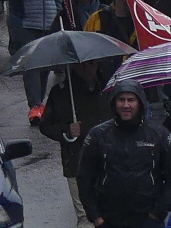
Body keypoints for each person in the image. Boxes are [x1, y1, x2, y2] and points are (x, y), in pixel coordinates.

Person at [79, 80, 171, 228]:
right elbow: (85, 178)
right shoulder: (98, 135)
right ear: (114, 103)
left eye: (131, 100)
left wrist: (158, 212)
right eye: (121, 100)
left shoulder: (159, 134)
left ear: (140, 103)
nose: (126, 105)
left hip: (148, 219)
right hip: (109, 219)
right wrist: (95, 216)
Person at [40, 59, 114, 226]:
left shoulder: (108, 89)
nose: (88, 70)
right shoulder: (61, 92)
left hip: (108, 163)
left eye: (92, 64)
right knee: (86, 218)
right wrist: (67, 130)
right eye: (83, 65)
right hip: (76, 161)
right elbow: (45, 125)